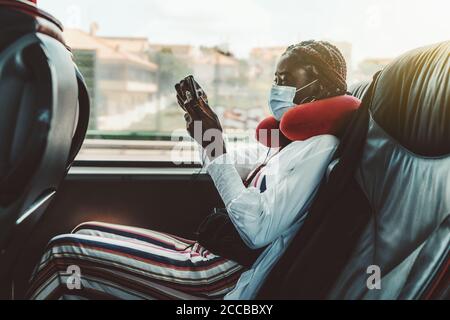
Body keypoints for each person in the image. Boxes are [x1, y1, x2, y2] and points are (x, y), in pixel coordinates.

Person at [28, 40, 350, 300]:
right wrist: (206, 130)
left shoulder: (319, 149)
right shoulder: (289, 140)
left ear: (320, 88)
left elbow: (257, 231)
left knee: (62, 254)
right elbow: (232, 162)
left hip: (220, 274)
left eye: (287, 81)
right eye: (275, 80)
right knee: (85, 231)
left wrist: (215, 145)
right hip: (211, 251)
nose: (277, 89)